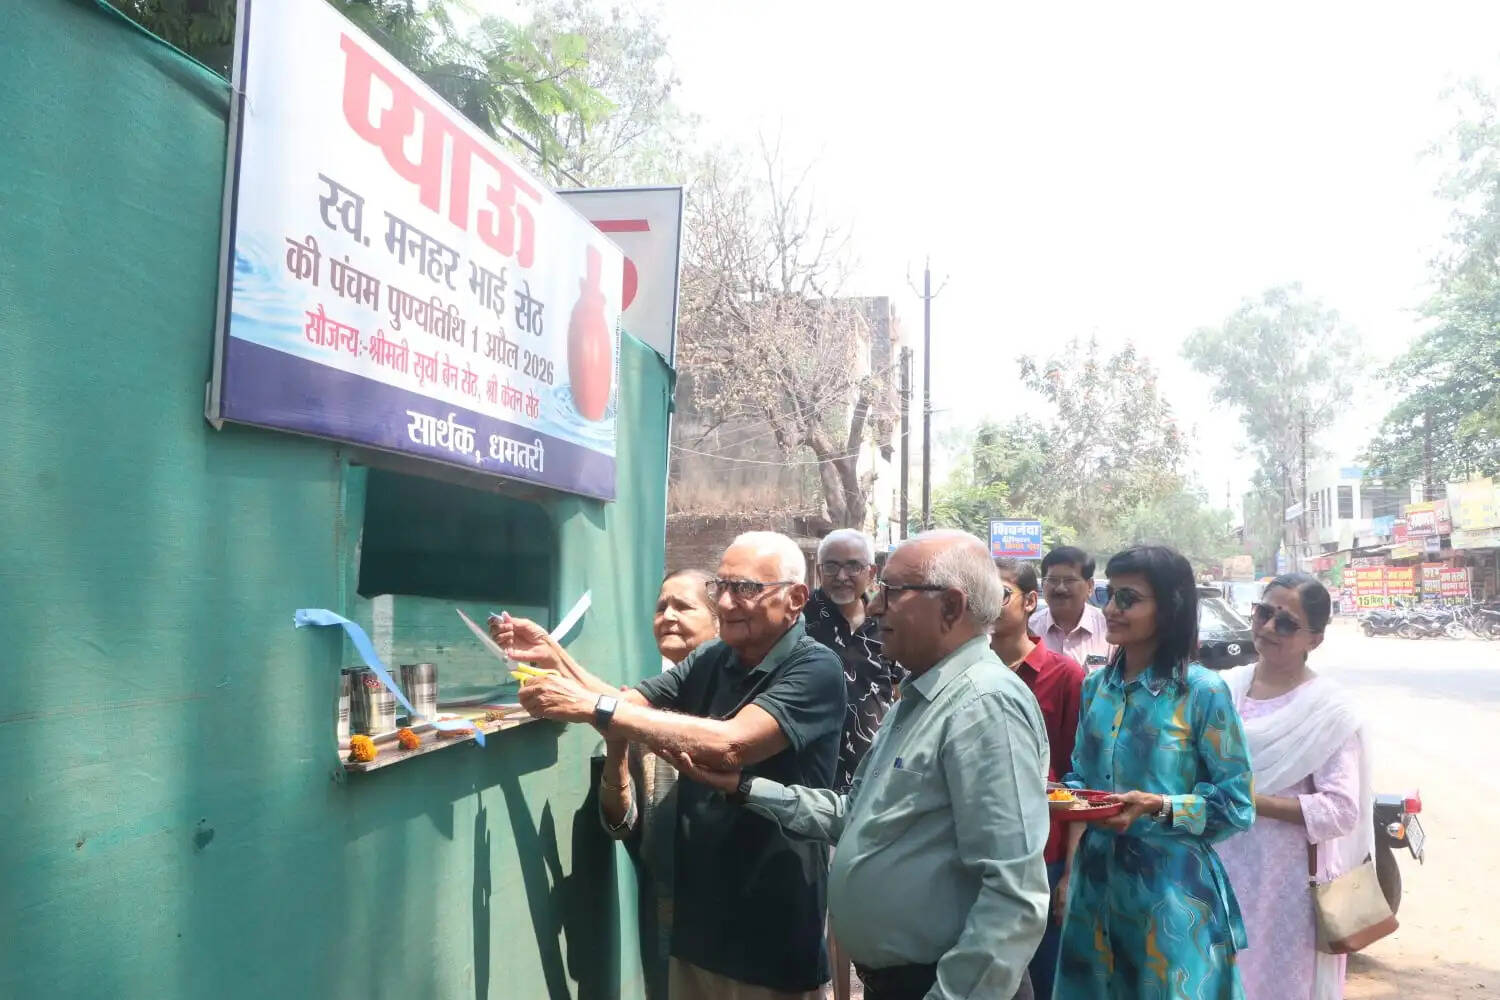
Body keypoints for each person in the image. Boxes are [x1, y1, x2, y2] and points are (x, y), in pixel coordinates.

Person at [671, 530, 1051, 1000]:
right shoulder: (920, 700)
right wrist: (744, 787)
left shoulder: (984, 705)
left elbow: (1013, 894)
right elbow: (858, 817)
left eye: (890, 592)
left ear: (951, 606)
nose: (874, 607)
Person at [492, 531, 845, 1000]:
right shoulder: (715, 657)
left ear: (796, 598)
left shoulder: (814, 668)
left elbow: (731, 745)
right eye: (722, 586)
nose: (728, 602)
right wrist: (554, 657)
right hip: (697, 927)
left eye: (747, 589)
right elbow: (624, 705)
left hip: (768, 933)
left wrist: (589, 707)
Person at [1055, 545, 1255, 1000]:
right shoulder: (1095, 688)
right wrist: (1057, 795)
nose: (1111, 610)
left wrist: (1161, 808)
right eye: (1110, 595)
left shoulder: (1201, 692)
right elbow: (1081, 779)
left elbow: (1237, 806)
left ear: (1169, 608)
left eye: (1128, 599)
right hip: (1096, 889)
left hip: (1171, 898)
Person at [1217, 574, 1367, 1000]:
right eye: (1264, 613)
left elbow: (1341, 810)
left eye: (1285, 623)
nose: (1267, 628)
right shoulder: (1225, 690)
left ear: (1314, 640)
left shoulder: (1329, 710)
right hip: (1221, 870)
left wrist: (1251, 801)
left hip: (1286, 888)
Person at [599, 569, 719, 1000]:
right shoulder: (642, 704)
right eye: (660, 607)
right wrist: (617, 748)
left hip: (731, 913)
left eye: (683, 607)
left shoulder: (739, 705)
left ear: (718, 620)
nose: (667, 616)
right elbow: (620, 826)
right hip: (666, 913)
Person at [805, 528, 905, 1000]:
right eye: (831, 566)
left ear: (871, 572)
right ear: (817, 570)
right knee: (816, 904)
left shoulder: (890, 622)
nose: (842, 576)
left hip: (874, 784)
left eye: (853, 566)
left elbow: (904, 691)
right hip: (812, 780)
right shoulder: (801, 620)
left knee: (866, 899)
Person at [990, 557, 1083, 1000]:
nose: (986, 605)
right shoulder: (962, 671)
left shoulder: (1064, 676)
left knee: (1044, 980)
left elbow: (1076, 777)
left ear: (1030, 601)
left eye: (999, 593)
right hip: (978, 851)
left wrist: (1070, 870)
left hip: (1042, 855)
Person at [1029, 546, 1113, 668]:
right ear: (1043, 585)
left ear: (1090, 586)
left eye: (1070, 580)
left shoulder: (1109, 628)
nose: (1060, 588)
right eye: (1053, 580)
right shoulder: (1029, 629)